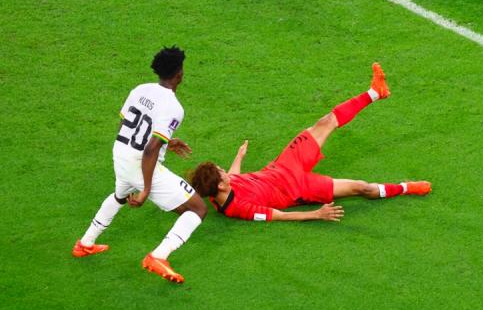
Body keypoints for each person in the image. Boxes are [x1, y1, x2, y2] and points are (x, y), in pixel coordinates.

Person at [188, 63, 431, 223]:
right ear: (220, 187)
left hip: (282, 166)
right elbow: (277, 215)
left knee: (325, 121)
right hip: (297, 188)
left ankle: (376, 92)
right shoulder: (238, 208)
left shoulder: (219, 190)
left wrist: (239, 158)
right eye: (222, 173)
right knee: (361, 188)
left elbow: (235, 178)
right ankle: (407, 187)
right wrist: (317, 213)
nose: (225, 172)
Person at [73, 47, 206, 285]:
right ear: (179, 74)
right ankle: (158, 256)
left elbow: (130, 126)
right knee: (196, 209)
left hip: (121, 153)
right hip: (141, 164)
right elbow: (150, 149)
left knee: (119, 195)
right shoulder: (174, 106)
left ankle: (85, 243)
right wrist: (146, 188)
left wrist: (167, 142)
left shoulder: (140, 89)